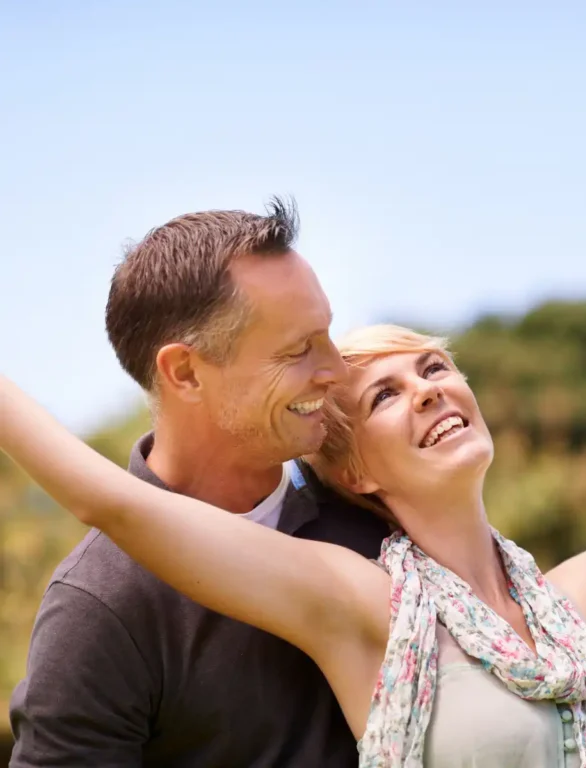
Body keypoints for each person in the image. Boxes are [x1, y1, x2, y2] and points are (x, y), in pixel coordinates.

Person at [1, 175, 586, 766]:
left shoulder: (559, 615)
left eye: (434, 366)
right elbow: (107, 501)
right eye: (382, 393)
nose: (428, 392)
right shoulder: (346, 597)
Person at [8, 200, 391, 767]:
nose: (336, 368)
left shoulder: (376, 517)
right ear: (185, 372)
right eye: (297, 349)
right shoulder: (100, 606)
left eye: (327, 334)